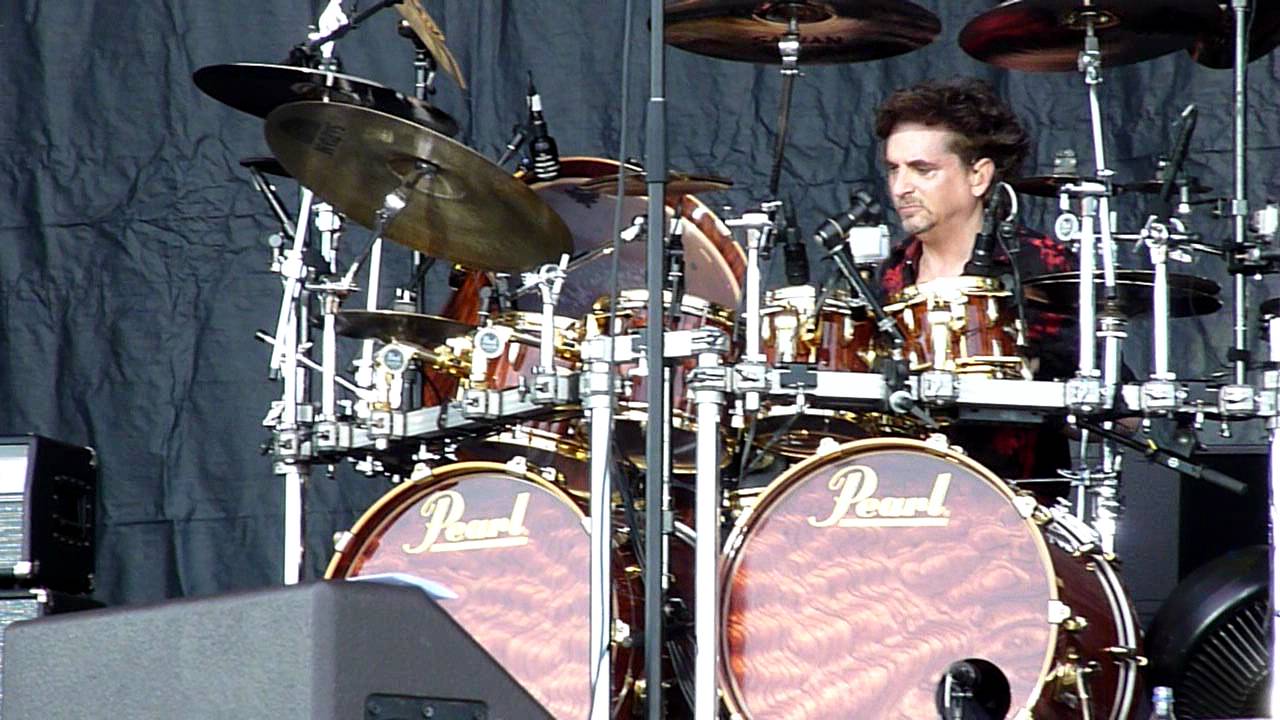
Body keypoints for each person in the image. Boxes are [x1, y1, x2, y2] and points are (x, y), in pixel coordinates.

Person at [872, 77, 1076, 480]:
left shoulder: (1042, 266)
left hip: (1018, 505)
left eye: (922, 170)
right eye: (893, 170)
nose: (901, 187)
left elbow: (1114, 404)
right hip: (901, 499)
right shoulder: (889, 275)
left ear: (978, 176)